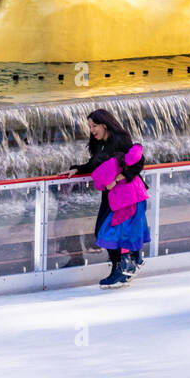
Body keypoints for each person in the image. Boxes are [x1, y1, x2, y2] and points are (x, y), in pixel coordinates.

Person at [63, 109, 149, 289]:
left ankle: (122, 268)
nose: (92, 130)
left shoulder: (120, 141)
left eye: (94, 126)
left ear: (105, 124)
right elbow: (95, 164)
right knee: (103, 230)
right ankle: (129, 261)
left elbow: (138, 162)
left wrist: (117, 179)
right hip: (110, 195)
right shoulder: (97, 144)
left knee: (115, 231)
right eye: (90, 127)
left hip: (126, 193)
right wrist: (78, 169)